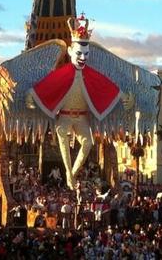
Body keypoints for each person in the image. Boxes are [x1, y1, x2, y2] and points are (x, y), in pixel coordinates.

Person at [27, 14, 132, 189]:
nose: (83, 58)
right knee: (61, 134)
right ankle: (68, 172)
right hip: (66, 117)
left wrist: (123, 96)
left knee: (88, 142)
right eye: (79, 53)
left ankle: (72, 173)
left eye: (86, 54)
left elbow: (105, 85)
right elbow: (48, 84)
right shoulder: (63, 73)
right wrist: (32, 94)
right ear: (70, 52)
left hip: (82, 117)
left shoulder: (91, 74)